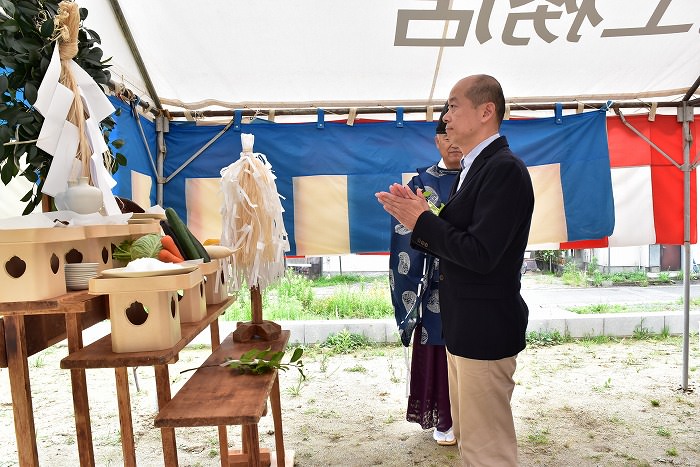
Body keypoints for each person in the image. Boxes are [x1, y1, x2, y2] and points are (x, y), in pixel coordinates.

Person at [376, 74, 534, 466]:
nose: (445, 117)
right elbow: (464, 239)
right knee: (471, 441)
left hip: (485, 328)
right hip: (465, 326)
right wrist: (422, 216)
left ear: (486, 111)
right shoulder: (473, 169)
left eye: (453, 105)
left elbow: (482, 254)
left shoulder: (503, 169)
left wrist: (423, 222)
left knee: (487, 449)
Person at [389, 103, 461, 446]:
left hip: (469, 277)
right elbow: (405, 231)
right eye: (444, 133)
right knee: (437, 348)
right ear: (437, 141)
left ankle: (469, 418)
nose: (453, 140)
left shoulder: (479, 177)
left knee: (471, 351)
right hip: (431, 284)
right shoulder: (421, 183)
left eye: (456, 131)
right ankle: (444, 419)